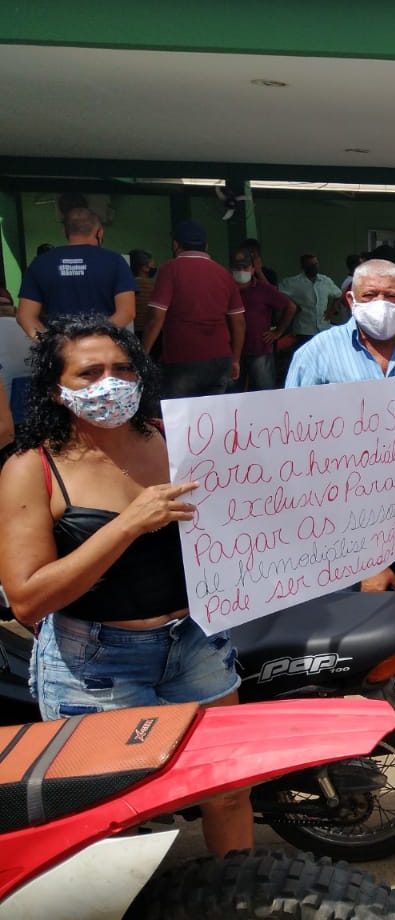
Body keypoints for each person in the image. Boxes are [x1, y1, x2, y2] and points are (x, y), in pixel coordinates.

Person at [0, 315, 252, 855]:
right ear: (54, 389)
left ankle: (239, 896)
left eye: (121, 368)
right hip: (94, 665)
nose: (108, 384)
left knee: (228, 794)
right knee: (113, 820)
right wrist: (129, 523)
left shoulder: (175, 438)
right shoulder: (31, 467)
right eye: (87, 373)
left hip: (196, 643)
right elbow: (27, 600)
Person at [285, 258, 395, 593]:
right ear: (350, 300)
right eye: (370, 295)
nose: (381, 304)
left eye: (391, 296)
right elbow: (292, 440)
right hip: (342, 529)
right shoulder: (315, 355)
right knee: (356, 632)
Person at [141, 221, 244, 399]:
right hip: (220, 358)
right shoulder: (224, 274)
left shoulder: (170, 269)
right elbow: (239, 322)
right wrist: (235, 359)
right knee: (214, 417)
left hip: (182, 358)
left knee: (181, 419)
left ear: (175, 245)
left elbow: (156, 317)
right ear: (206, 246)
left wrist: (142, 354)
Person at [17, 208, 135, 339]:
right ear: (100, 232)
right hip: (104, 349)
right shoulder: (115, 261)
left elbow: (25, 316)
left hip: (61, 350)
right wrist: (95, 339)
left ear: (65, 231)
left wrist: (51, 345)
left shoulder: (40, 263)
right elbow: (127, 312)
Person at [230, 247, 297, 392]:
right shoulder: (227, 289)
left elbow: (290, 307)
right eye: (237, 267)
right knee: (233, 394)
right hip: (233, 351)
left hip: (259, 349)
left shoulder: (263, 289)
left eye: (245, 267)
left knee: (265, 391)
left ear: (253, 269)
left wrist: (278, 332)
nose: (241, 271)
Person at [278, 253, 344, 346]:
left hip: (323, 328)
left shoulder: (325, 281)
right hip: (304, 330)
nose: (314, 267)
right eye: (310, 265)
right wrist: (291, 305)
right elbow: (275, 293)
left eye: (316, 264)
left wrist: (333, 309)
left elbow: (339, 295)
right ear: (303, 267)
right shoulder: (293, 283)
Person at [128, 248, 157, 321]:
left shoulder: (126, 284)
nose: (154, 267)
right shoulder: (154, 285)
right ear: (145, 268)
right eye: (153, 265)